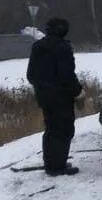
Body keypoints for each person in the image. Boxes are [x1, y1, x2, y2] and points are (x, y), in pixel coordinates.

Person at [26, 17, 82, 176]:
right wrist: (78, 91)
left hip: (43, 97)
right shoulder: (63, 48)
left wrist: (43, 87)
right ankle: (57, 166)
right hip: (61, 98)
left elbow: (30, 75)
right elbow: (67, 76)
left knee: (51, 129)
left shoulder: (37, 46)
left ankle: (52, 163)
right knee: (63, 130)